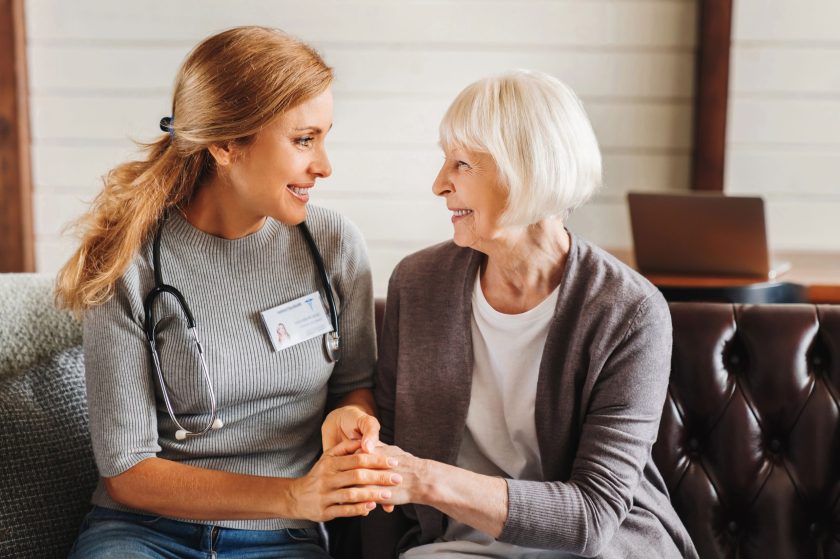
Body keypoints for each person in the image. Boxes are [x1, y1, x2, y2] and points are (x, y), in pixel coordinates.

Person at [56, 26, 398, 558]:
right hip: (142, 532)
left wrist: (350, 418)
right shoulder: (129, 260)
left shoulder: (333, 245)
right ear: (225, 144)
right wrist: (292, 495)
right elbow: (126, 471)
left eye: (324, 137)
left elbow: (353, 384)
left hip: (281, 539)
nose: (324, 165)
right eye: (304, 139)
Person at [363, 71, 699, 558]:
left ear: (527, 171)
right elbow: (385, 470)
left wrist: (425, 480)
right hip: (456, 548)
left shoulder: (629, 311)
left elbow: (594, 516)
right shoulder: (417, 284)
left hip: (596, 549)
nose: (439, 184)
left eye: (461, 164)